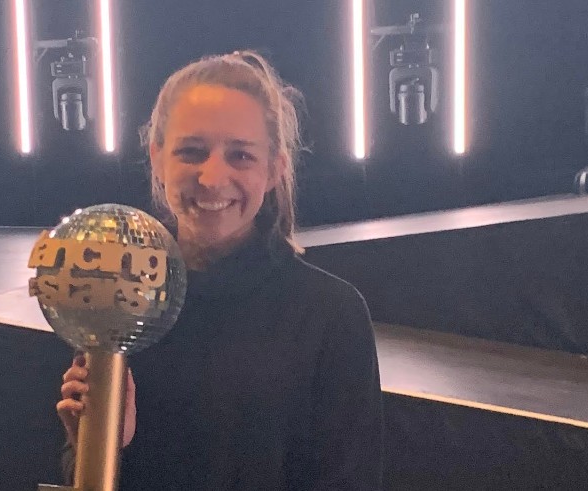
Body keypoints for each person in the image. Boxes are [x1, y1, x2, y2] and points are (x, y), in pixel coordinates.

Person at [56, 50, 384, 490]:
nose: (212, 177)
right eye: (191, 151)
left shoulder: (331, 314)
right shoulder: (119, 295)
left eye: (241, 156)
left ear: (274, 169)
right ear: (157, 159)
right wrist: (97, 449)